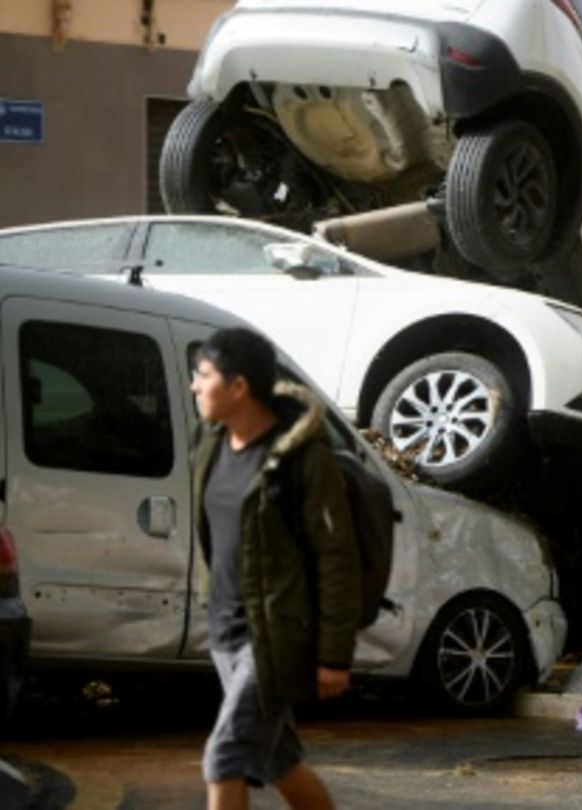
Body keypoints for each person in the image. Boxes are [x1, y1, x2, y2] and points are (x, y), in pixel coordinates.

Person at [191, 327, 361, 810]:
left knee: (224, 756)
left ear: (238, 387)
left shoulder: (302, 460)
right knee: (276, 759)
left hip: (275, 639)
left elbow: (337, 556)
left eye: (203, 376)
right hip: (225, 631)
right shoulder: (212, 443)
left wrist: (334, 653)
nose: (194, 387)